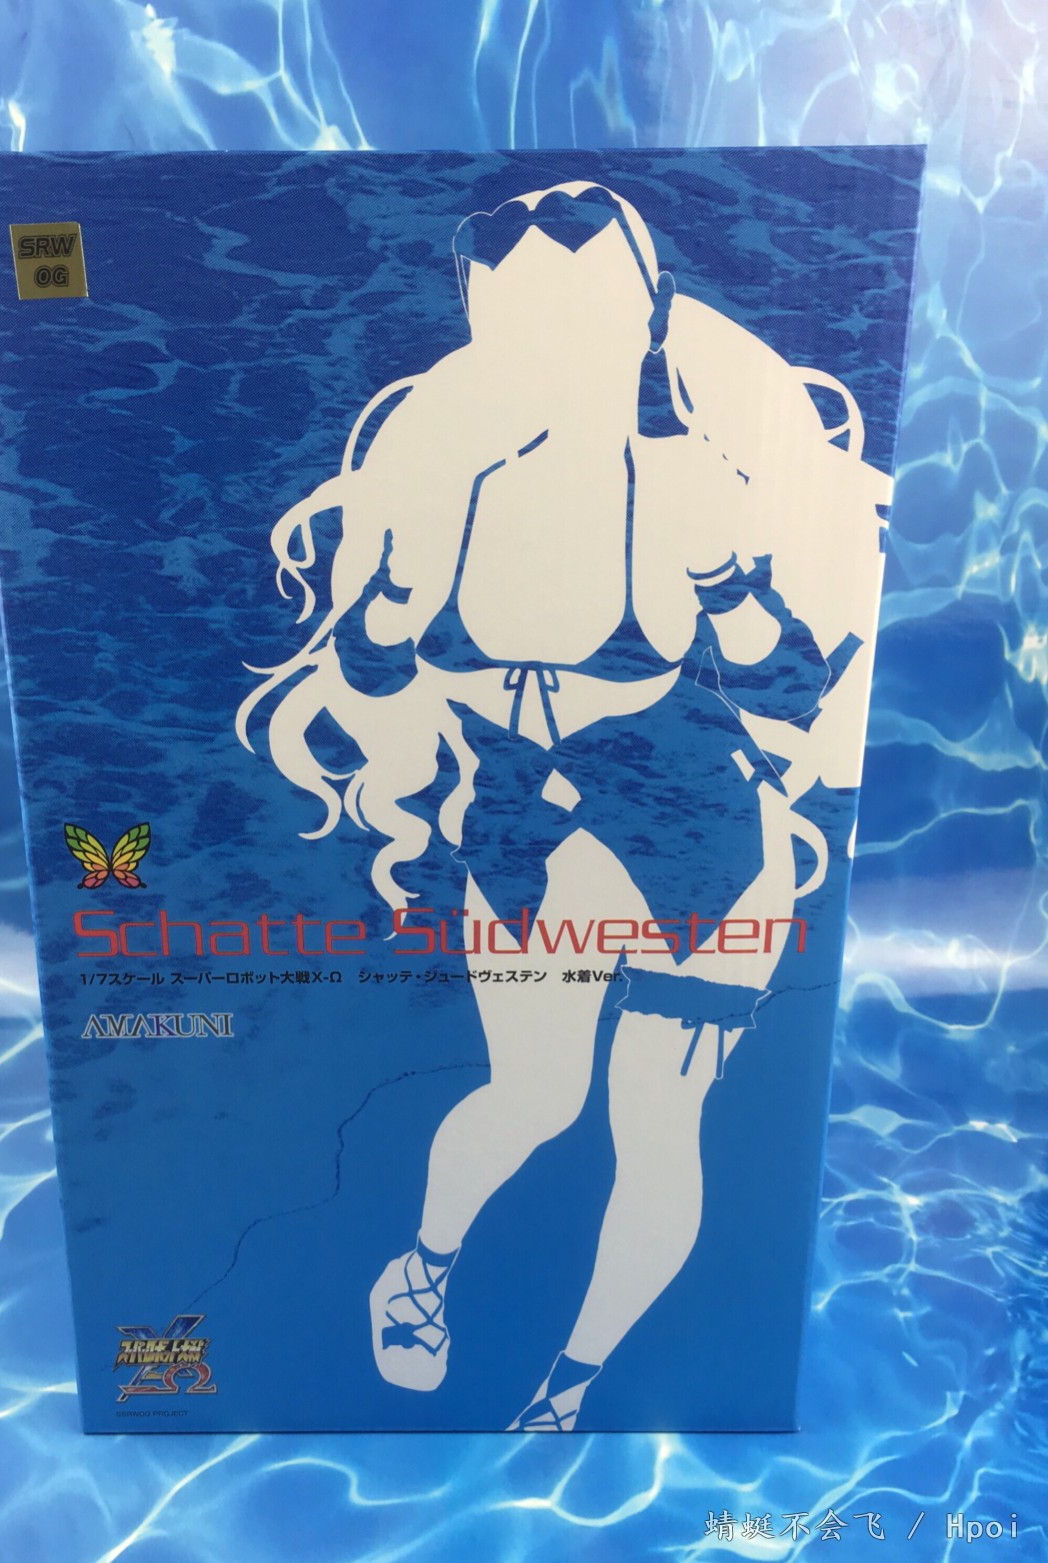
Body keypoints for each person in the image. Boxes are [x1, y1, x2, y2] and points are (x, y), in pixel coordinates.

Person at [237, 182, 890, 1431]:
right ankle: (420, 1270)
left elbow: (791, 688)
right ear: (484, 326)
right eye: (524, 322)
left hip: (705, 841)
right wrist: (393, 598)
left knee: (660, 1122)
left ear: (643, 323)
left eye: (589, 320)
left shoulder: (692, 478)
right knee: (535, 1097)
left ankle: (570, 1390)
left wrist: (723, 570)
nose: (560, 354)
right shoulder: (441, 475)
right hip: (526, 832)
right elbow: (372, 678)